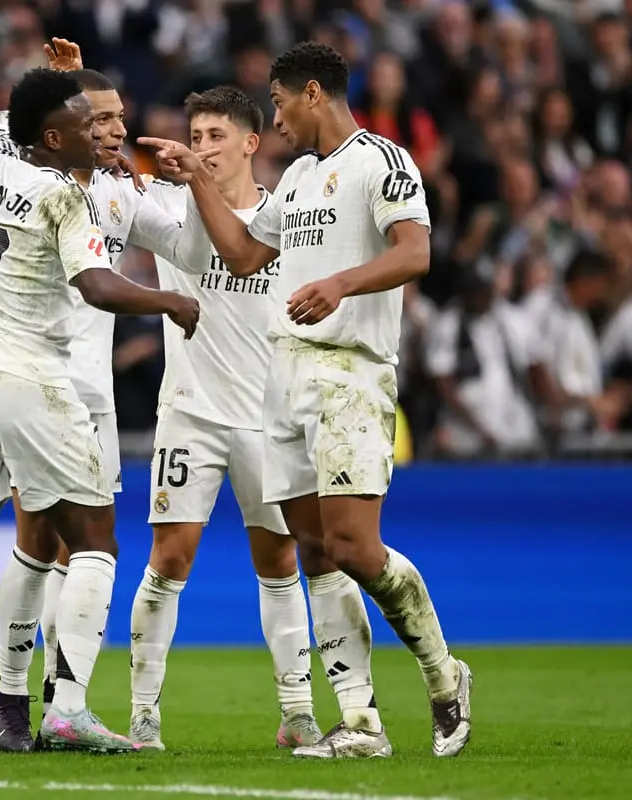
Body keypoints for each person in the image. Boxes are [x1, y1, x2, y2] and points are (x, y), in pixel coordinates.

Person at [140, 42, 472, 759]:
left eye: (282, 100)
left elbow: (416, 252)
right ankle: (361, 725)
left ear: (313, 93)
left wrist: (341, 284)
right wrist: (198, 175)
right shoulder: (295, 179)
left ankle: (443, 672)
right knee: (318, 553)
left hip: (350, 373)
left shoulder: (380, 161)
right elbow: (240, 254)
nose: (278, 116)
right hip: (283, 377)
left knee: (356, 547)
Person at [0, 42, 212, 753]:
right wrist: (169, 304)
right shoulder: (65, 196)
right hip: (33, 383)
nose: (99, 131)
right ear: (54, 136)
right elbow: (95, 285)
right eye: (82, 120)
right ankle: (65, 708)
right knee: (95, 543)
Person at [128, 85, 340, 752]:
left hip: (267, 419)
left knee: (279, 561)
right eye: (195, 137)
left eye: (216, 136)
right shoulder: (168, 207)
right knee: (170, 555)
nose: (202, 148)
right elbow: (97, 168)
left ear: (252, 143)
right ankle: (142, 713)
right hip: (190, 412)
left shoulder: (287, 219)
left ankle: (297, 711)